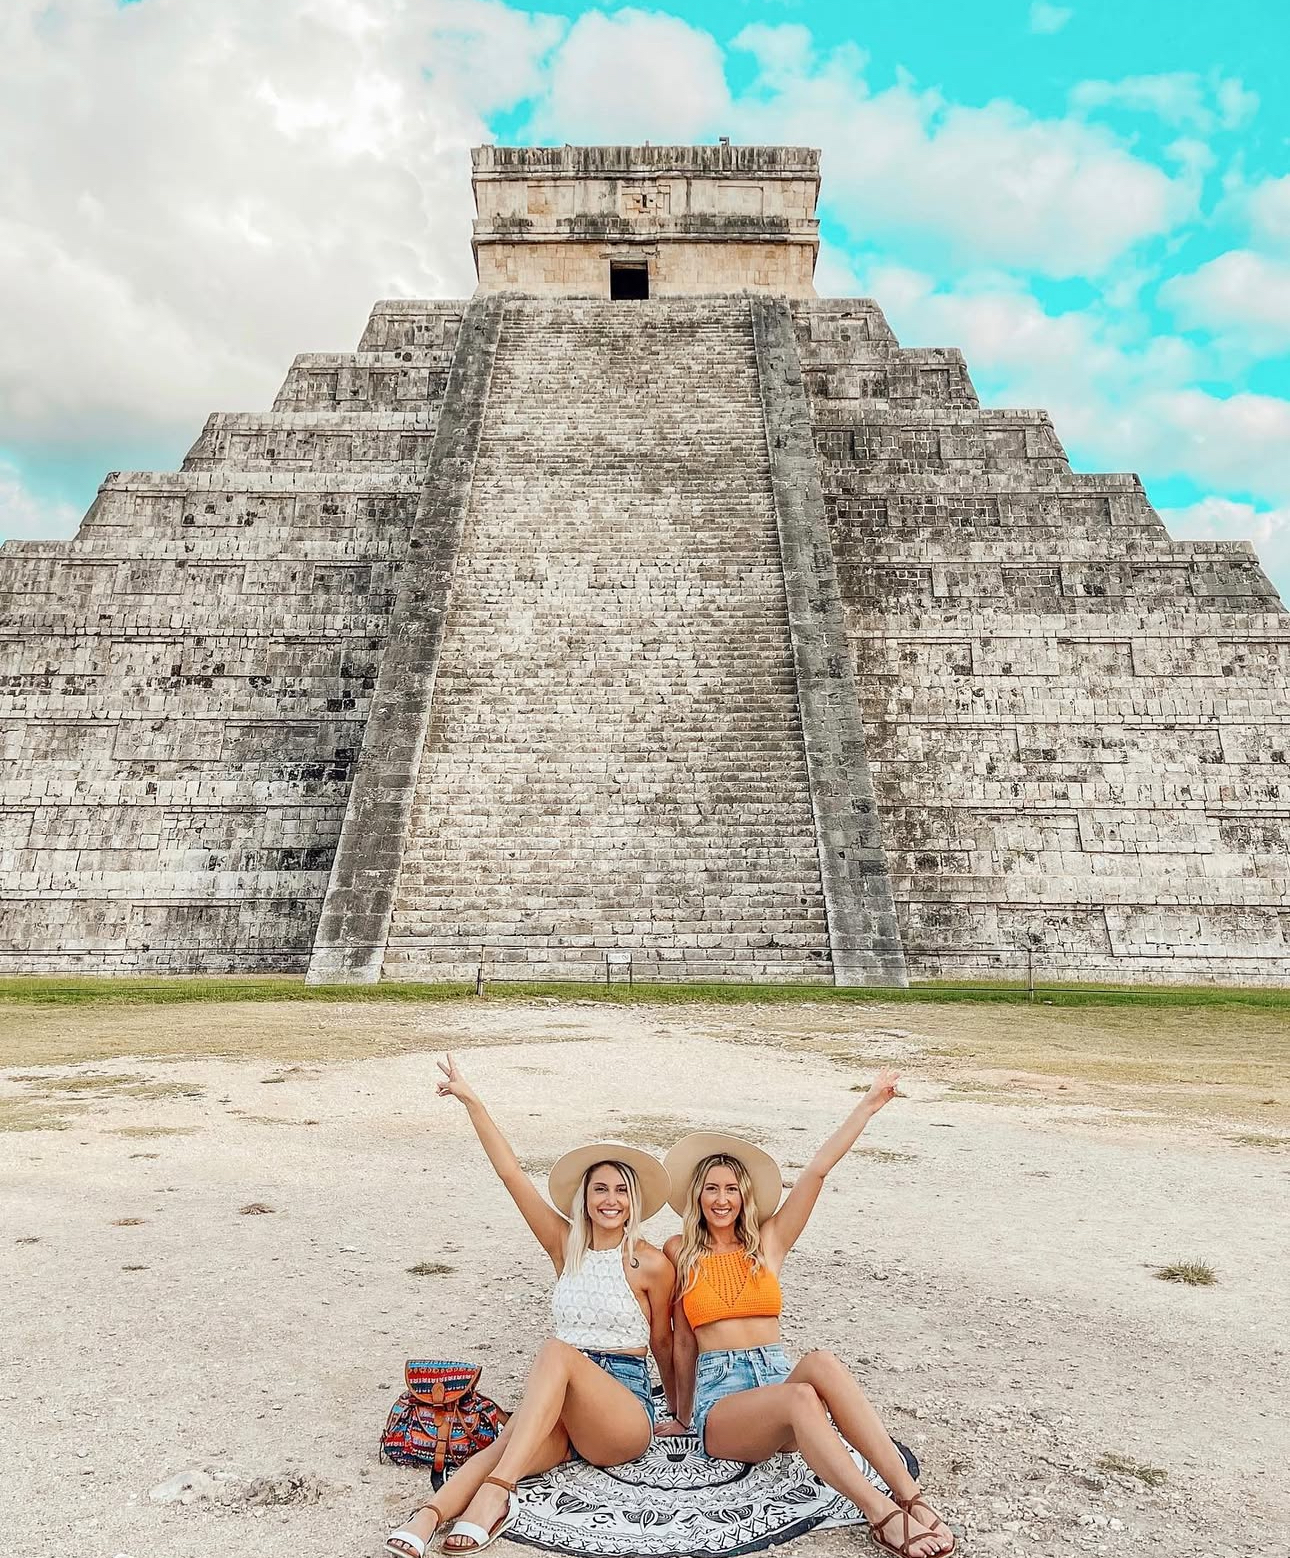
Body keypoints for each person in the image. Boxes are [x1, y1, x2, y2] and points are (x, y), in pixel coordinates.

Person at [384, 1054, 677, 1558]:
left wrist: (682, 1412)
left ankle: (493, 1500)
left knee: (558, 1352)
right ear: (584, 1198)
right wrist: (472, 1101)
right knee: (507, 1448)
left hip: (622, 1415)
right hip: (560, 1403)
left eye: (621, 1190)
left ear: (634, 1200)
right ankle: (429, 1515)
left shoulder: (649, 1263)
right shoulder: (566, 1247)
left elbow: (667, 1343)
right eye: (599, 1189)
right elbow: (511, 1175)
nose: (610, 1200)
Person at [660, 1070, 955, 1558]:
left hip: (775, 1377)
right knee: (800, 1399)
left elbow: (816, 1172)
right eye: (711, 1188)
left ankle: (910, 1496)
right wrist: (681, 1413)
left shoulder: (768, 1244)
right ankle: (880, 1515)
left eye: (731, 1189)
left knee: (819, 1362)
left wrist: (866, 1106)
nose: (720, 1199)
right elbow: (684, 1340)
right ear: (697, 1195)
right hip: (727, 1408)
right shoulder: (679, 1251)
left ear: (744, 1196)